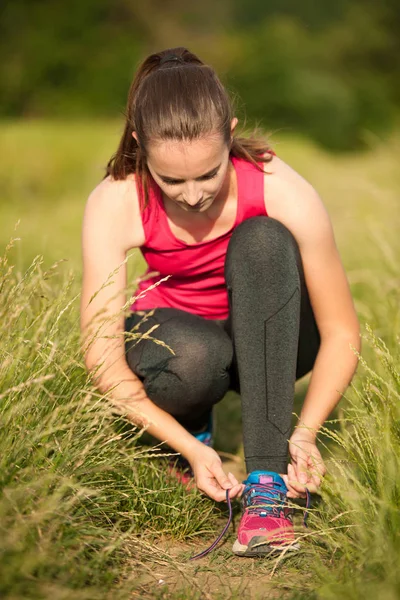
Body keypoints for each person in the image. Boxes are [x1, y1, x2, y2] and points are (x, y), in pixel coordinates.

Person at [80, 47, 361, 557]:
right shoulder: (116, 200)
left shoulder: (280, 186)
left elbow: (341, 332)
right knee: (196, 355)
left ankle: (268, 484)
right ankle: (193, 430)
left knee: (265, 241)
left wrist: (307, 432)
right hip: (182, 347)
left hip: (271, 343)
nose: (192, 196)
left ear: (230, 134)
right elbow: (102, 362)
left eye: (208, 174)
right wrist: (186, 449)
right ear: (141, 146)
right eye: (172, 180)